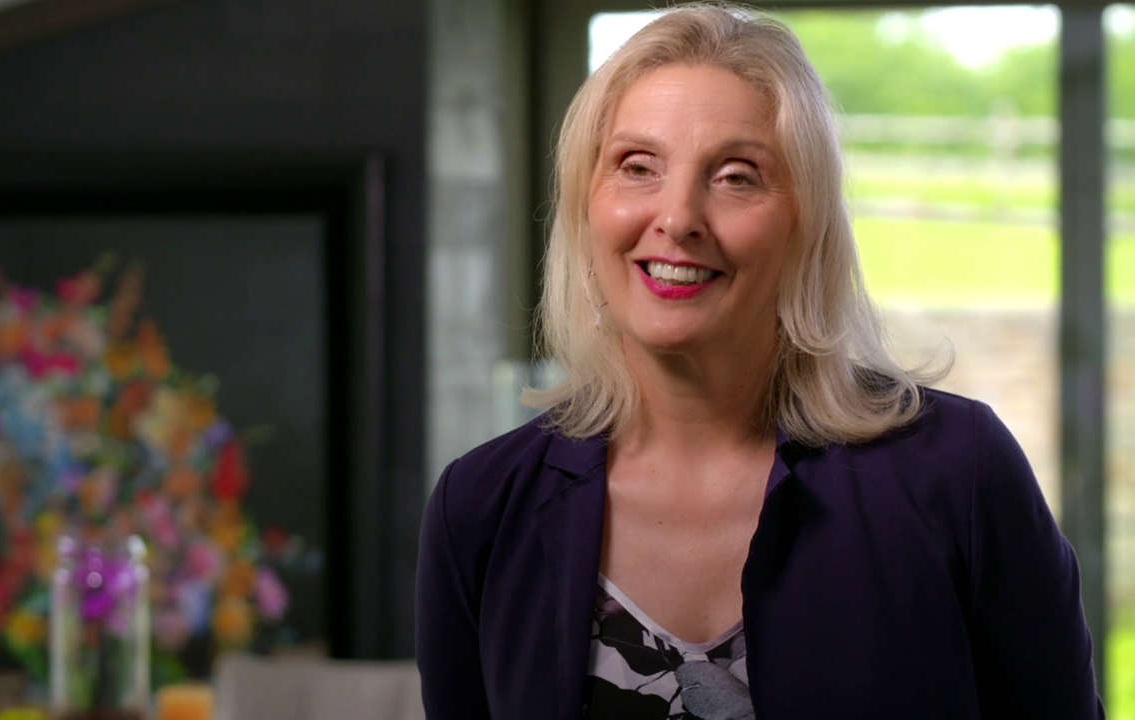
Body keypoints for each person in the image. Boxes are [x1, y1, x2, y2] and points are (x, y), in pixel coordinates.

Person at [414, 4, 1105, 719]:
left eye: (736, 176)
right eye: (637, 166)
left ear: (806, 223)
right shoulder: (479, 508)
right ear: (586, 205)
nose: (678, 217)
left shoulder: (960, 473)